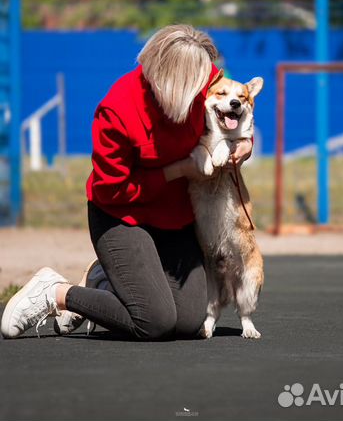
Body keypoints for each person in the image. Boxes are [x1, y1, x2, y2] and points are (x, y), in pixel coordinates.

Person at [1, 24, 252, 341]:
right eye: (200, 82)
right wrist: (179, 171)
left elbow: (235, 111)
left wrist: (244, 143)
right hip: (121, 216)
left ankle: (102, 277)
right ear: (170, 82)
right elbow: (112, 190)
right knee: (154, 321)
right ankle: (57, 292)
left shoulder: (205, 78)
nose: (209, 84)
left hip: (175, 218)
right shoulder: (118, 110)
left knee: (189, 322)